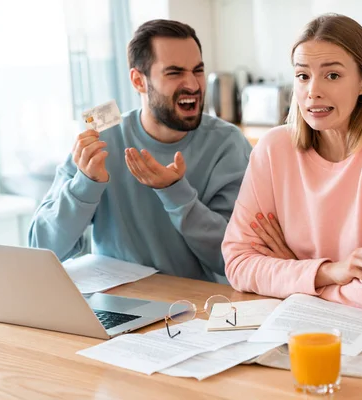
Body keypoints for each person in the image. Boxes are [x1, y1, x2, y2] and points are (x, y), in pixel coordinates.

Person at [222, 14, 362, 318]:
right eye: (302, 76)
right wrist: (328, 272)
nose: (313, 91)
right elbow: (238, 264)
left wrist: (296, 275)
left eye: (332, 75)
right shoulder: (273, 150)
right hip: (304, 328)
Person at [29, 19, 252, 282]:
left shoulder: (228, 145)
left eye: (198, 70)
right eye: (174, 73)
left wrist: (176, 193)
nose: (192, 84)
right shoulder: (102, 140)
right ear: (138, 81)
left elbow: (238, 258)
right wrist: (85, 185)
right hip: (114, 306)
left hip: (195, 308)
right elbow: (41, 249)